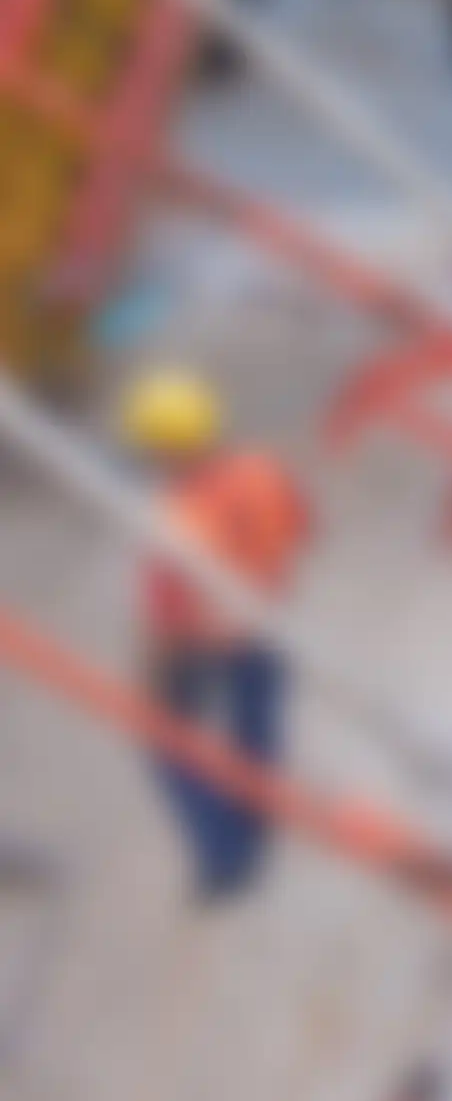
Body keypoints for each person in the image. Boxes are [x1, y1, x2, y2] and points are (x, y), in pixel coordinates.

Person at [125, 364, 308, 905]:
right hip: (269, 622)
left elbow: (167, 607)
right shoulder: (263, 469)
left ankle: (225, 860)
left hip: (204, 641)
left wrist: (153, 670)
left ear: (166, 445)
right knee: (256, 734)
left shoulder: (179, 513)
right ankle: (257, 826)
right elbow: (304, 522)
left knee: (169, 749)